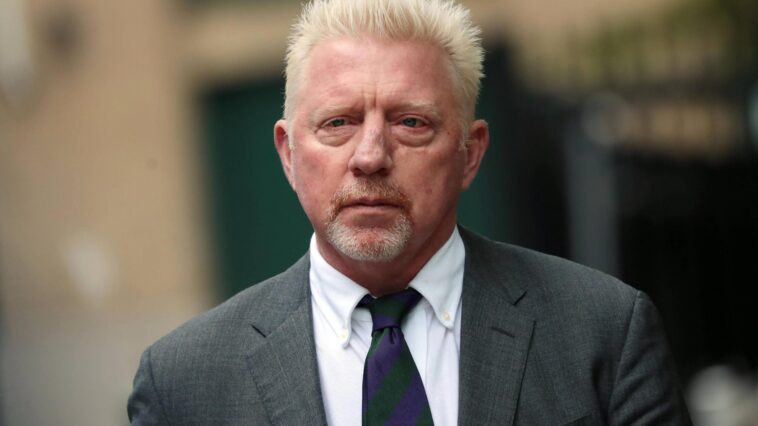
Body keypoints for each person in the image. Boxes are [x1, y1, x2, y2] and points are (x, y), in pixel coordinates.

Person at [128, 0, 691, 424]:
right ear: (289, 155)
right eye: (338, 123)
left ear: (470, 153)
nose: (370, 156)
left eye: (411, 123)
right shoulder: (183, 383)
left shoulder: (603, 333)